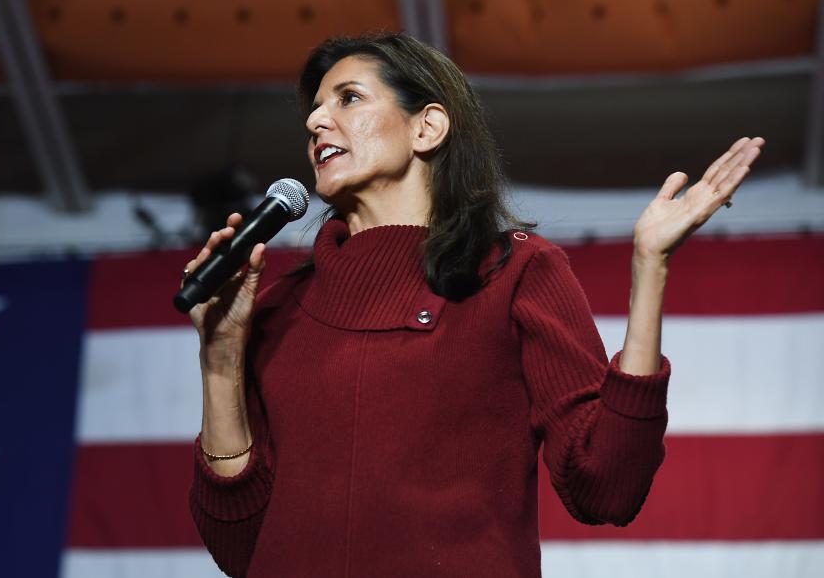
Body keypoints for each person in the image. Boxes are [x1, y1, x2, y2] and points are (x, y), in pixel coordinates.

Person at [183, 33, 764, 578]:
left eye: (349, 97)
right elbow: (242, 548)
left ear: (428, 127)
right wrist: (220, 357)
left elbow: (606, 488)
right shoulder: (277, 307)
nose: (314, 121)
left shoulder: (515, 272)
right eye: (312, 109)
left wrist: (650, 267)